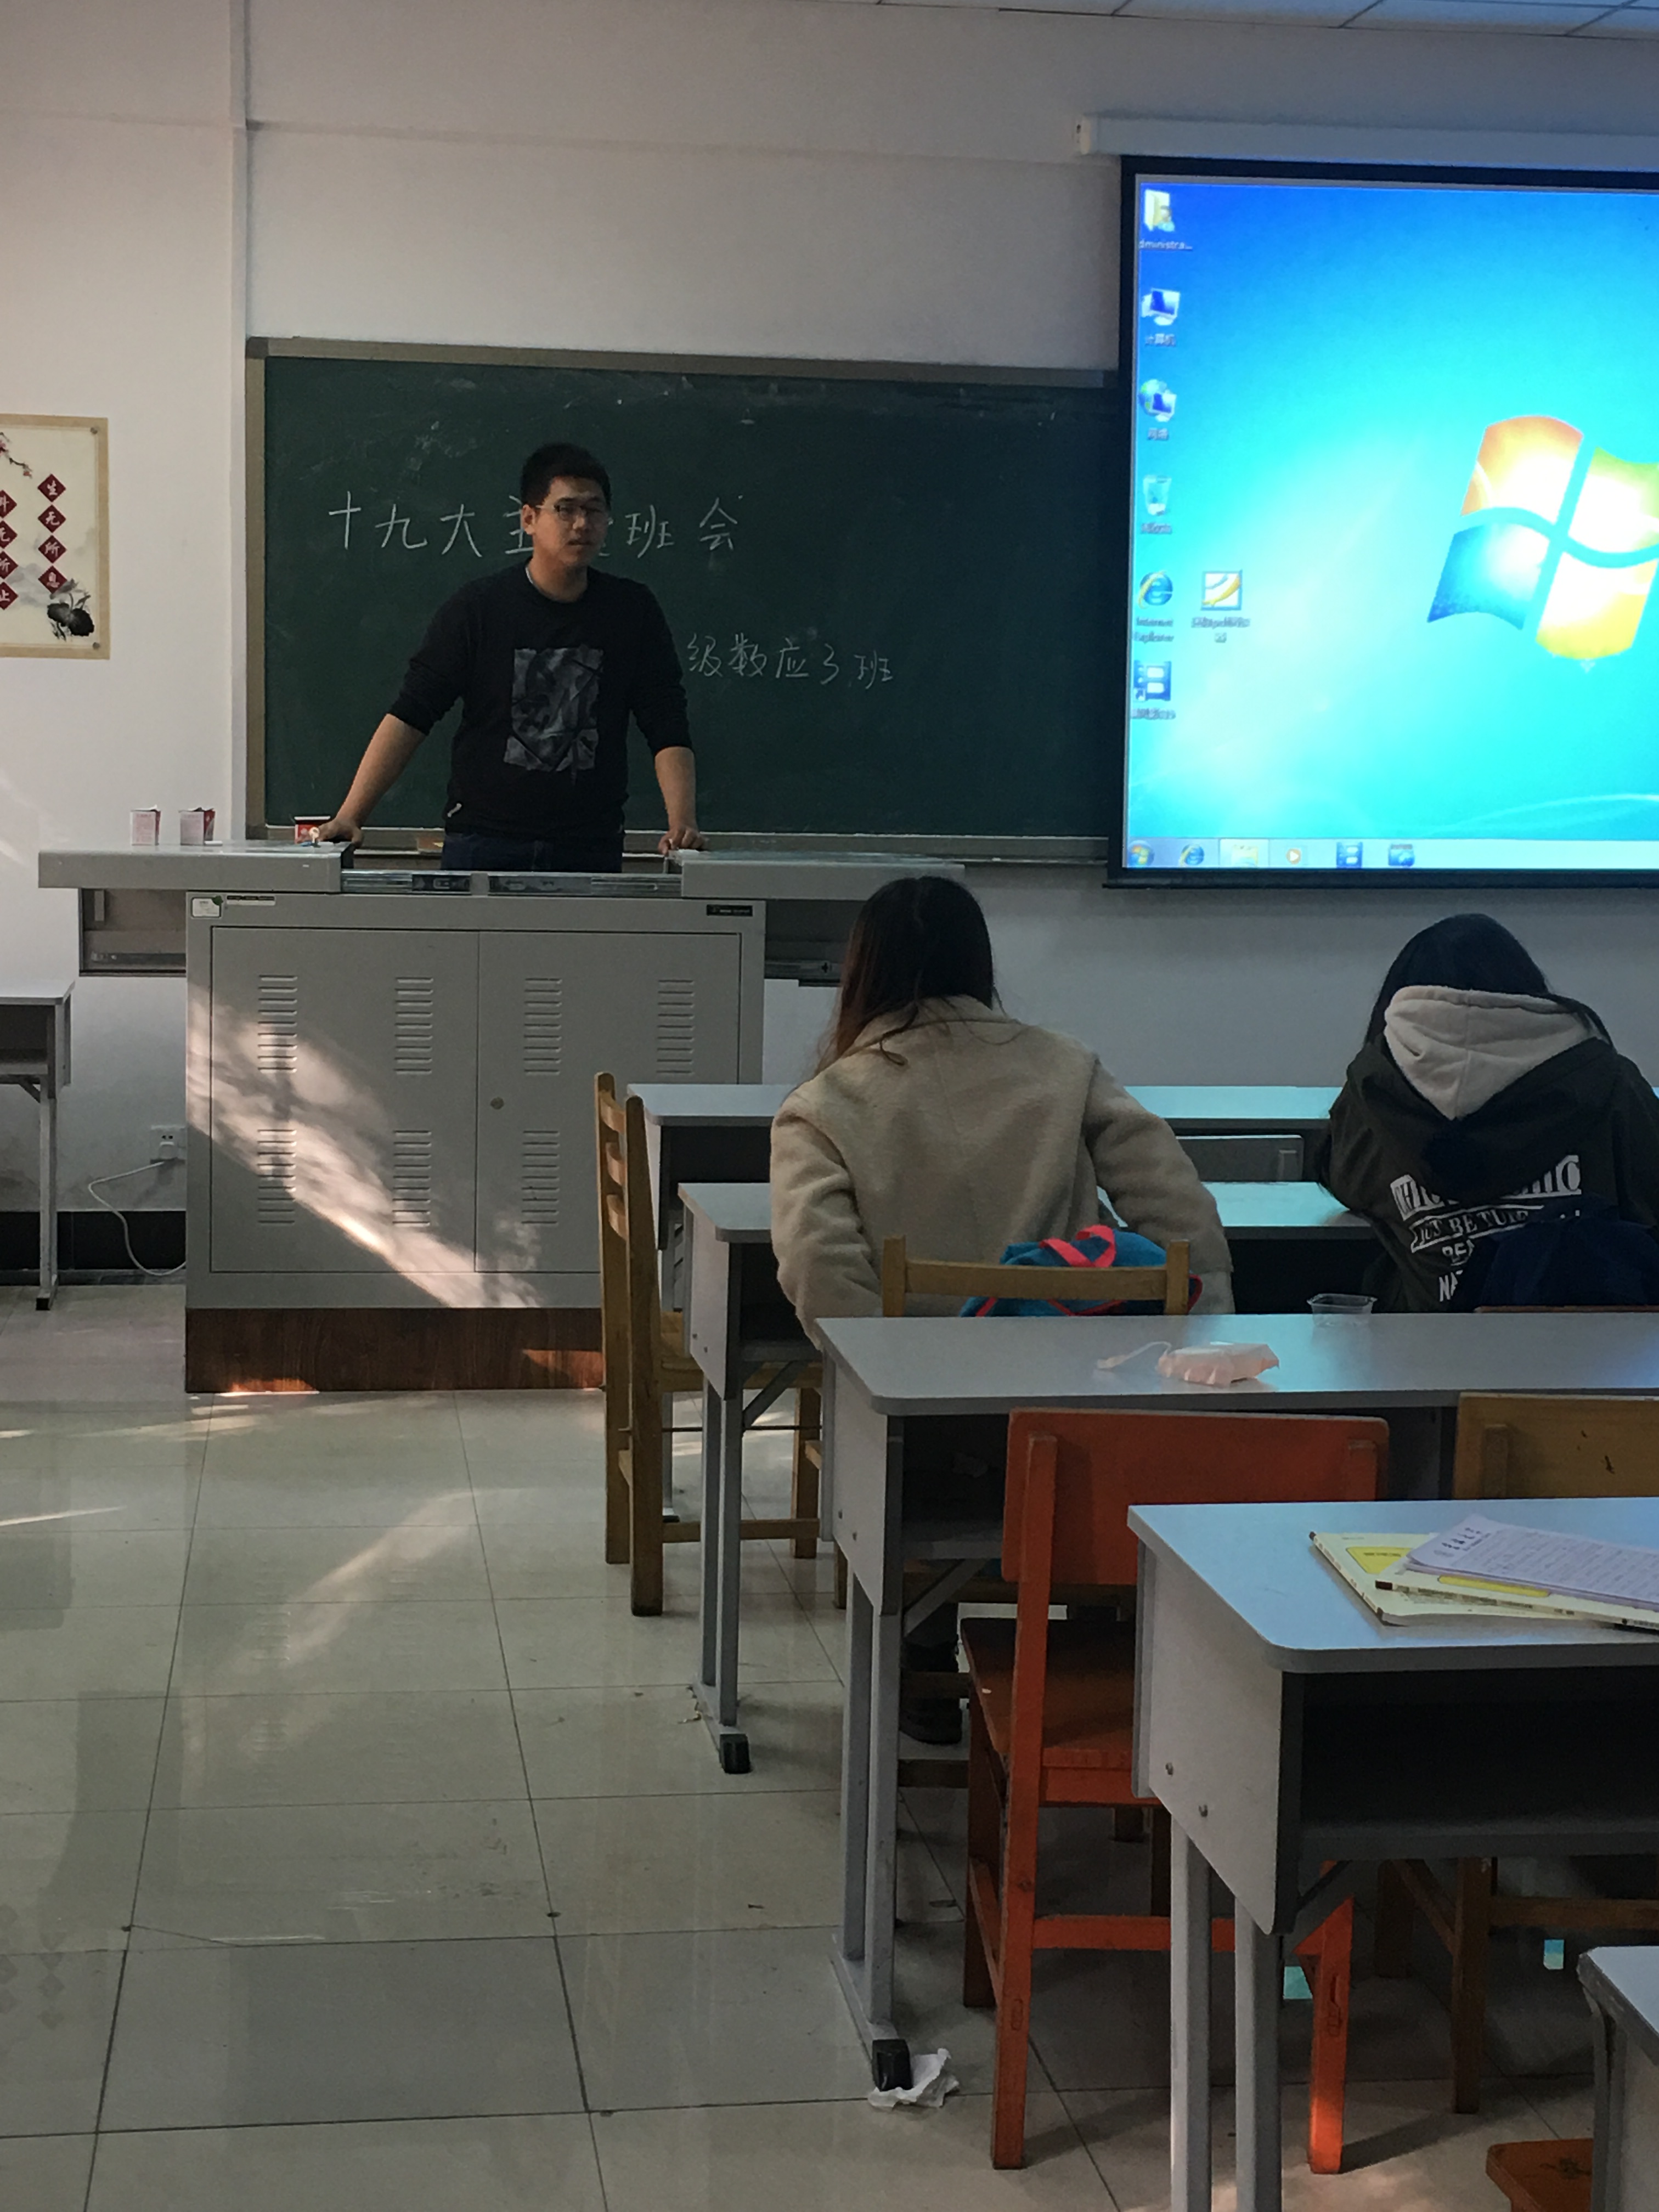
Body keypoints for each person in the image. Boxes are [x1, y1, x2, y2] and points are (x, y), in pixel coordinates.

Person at [770, 875, 1230, 1741]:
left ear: (861, 974)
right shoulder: (1067, 1067)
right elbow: (1183, 1222)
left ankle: (919, 1653)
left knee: (893, 1454)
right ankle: (1099, 1670)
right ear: (979, 962)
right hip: (1084, 1428)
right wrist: (1200, 1356)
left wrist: (898, 1392)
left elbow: (819, 1272)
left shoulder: (825, 1105)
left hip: (926, 1452)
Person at [314, 442, 703, 870]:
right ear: (529, 519)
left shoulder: (632, 611)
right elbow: (412, 713)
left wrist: (682, 824)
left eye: (594, 510)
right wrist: (351, 815)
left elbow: (665, 721)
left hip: (588, 845)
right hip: (484, 841)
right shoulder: (479, 609)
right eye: (566, 509)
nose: (581, 524)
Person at [1313, 912, 1659, 1310]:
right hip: (1593, 1339)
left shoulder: (1374, 1092)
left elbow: (1346, 1182)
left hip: (1427, 1341)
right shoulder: (1609, 1082)